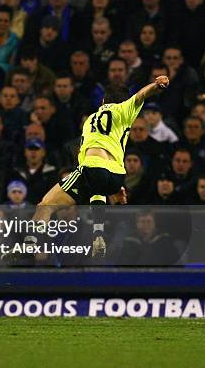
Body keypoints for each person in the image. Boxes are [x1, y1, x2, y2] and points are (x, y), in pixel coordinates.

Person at [32, 75, 171, 257]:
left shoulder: (90, 121)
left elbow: (85, 158)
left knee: (45, 205)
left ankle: (31, 243)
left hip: (93, 168)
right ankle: (98, 234)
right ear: (123, 100)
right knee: (96, 184)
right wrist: (156, 85)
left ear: (104, 101)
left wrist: (155, 85)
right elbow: (140, 96)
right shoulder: (124, 109)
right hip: (117, 176)